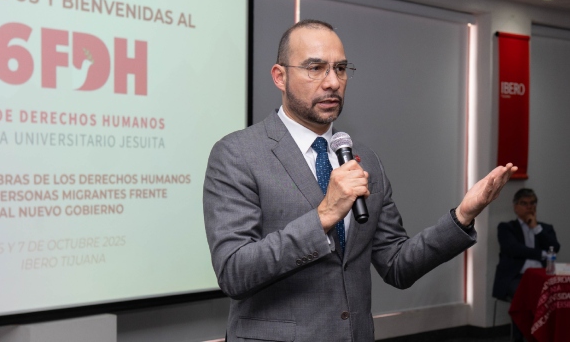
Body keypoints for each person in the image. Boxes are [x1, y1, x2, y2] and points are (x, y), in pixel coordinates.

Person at [203, 19, 517, 342]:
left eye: (340, 69)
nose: (332, 82)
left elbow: (397, 265)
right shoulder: (237, 155)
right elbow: (234, 273)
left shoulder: (362, 159)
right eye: (315, 68)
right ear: (279, 77)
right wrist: (324, 216)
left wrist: (462, 215)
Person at [492, 188, 560, 301]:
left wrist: (535, 228)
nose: (529, 207)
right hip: (517, 276)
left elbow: (554, 248)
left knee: (558, 293)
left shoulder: (545, 228)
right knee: (527, 295)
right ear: (516, 207)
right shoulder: (507, 228)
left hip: (542, 275)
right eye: (524, 203)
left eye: (532, 203)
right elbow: (514, 249)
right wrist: (542, 254)